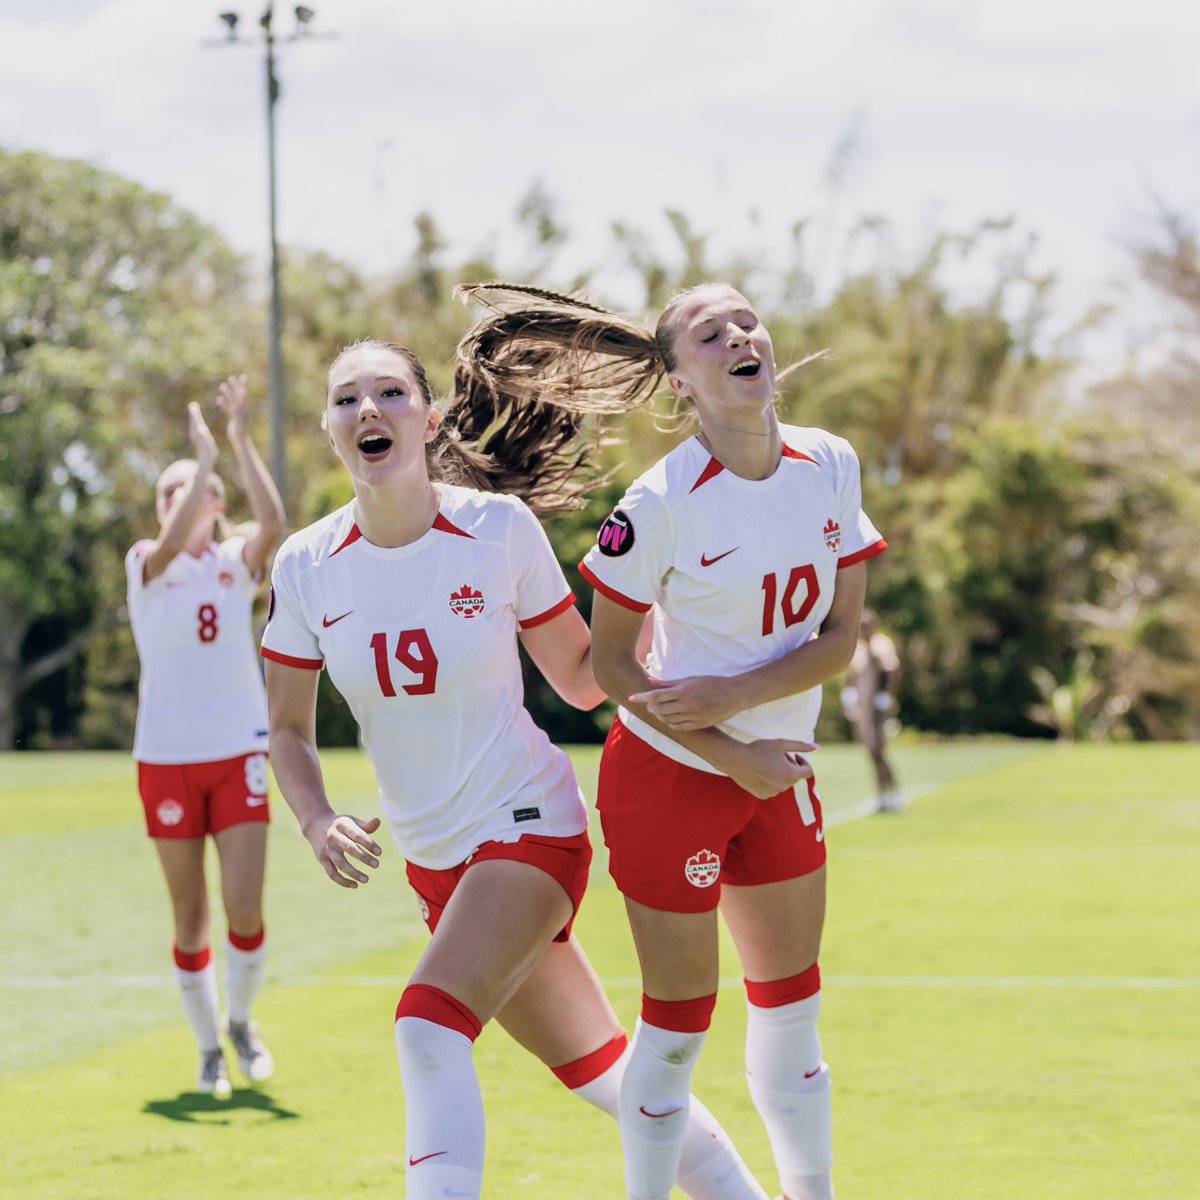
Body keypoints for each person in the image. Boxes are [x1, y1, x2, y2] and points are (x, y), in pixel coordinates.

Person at [260, 336, 777, 1200]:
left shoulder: (497, 530)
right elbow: (286, 729)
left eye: (390, 393)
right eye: (347, 399)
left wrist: (672, 614)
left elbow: (582, 678)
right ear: (328, 425)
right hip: (436, 864)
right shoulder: (306, 564)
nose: (369, 411)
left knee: (427, 1028)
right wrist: (316, 818)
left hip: (527, 828)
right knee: (608, 1075)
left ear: (427, 420)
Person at [458, 282, 887, 1200]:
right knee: (680, 1023)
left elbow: (842, 639)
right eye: (708, 333)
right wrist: (733, 751)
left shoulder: (831, 463)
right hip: (673, 778)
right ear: (682, 381)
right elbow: (609, 667)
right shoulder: (657, 504)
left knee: (792, 1009)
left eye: (746, 320)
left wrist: (740, 706)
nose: (739, 336)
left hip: (781, 773)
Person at [125, 375, 286, 1098]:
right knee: (189, 916)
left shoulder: (232, 563)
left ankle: (242, 1022)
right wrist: (199, 457)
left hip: (238, 753)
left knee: (244, 908)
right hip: (165, 762)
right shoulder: (146, 566)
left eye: (189, 489)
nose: (176, 501)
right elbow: (164, 538)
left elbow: (274, 525)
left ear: (216, 503)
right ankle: (206, 1049)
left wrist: (238, 441)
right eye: (167, 492)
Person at [840, 609, 904, 812]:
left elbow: (892, 671)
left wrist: (885, 698)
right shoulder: (857, 649)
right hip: (863, 709)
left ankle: (893, 794)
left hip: (877, 707)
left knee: (879, 751)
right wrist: (849, 700)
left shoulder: (881, 644)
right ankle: (881, 795)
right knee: (870, 752)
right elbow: (851, 677)